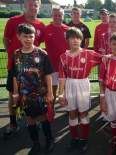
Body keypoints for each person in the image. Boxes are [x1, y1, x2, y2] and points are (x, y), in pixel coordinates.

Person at [3, 0, 45, 136]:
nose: (33, 8)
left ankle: (33, 120)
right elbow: (6, 39)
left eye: (36, 6)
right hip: (15, 67)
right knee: (13, 95)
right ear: (25, 6)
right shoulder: (13, 21)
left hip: (32, 69)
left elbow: (39, 44)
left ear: (39, 8)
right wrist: (11, 54)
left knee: (32, 95)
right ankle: (13, 123)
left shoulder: (41, 25)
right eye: (30, 5)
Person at [58, 27, 102, 153]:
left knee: (83, 113)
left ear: (81, 40)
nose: (75, 40)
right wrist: (60, 94)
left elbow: (105, 58)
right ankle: (74, 138)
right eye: (72, 38)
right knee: (72, 112)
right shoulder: (63, 57)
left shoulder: (89, 53)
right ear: (67, 40)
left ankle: (84, 139)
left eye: (78, 38)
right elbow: (62, 77)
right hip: (69, 84)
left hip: (83, 85)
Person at [12, 24, 54, 154]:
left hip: (40, 94)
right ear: (19, 37)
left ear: (35, 36)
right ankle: (35, 143)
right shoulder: (16, 54)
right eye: (25, 36)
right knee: (29, 119)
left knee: (43, 117)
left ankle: (49, 140)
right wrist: (15, 93)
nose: (28, 39)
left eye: (31, 36)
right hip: (24, 95)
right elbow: (15, 76)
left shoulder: (42, 53)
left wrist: (50, 93)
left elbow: (48, 74)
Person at [44, 7, 69, 105]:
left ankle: (68, 108)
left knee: (67, 88)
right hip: (52, 65)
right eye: (55, 15)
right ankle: (51, 110)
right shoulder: (46, 29)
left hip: (65, 65)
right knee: (52, 89)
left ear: (63, 16)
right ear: (52, 15)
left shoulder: (68, 29)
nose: (57, 17)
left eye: (59, 15)